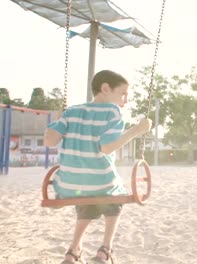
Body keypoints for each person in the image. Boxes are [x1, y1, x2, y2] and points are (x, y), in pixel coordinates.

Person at [44, 70, 152, 264]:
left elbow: (50, 141)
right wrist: (137, 130)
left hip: (68, 186)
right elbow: (107, 147)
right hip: (101, 183)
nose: (125, 100)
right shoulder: (113, 111)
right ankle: (105, 249)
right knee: (114, 195)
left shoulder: (72, 112)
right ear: (105, 88)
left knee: (87, 197)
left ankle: (73, 250)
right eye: (123, 94)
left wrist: (58, 120)